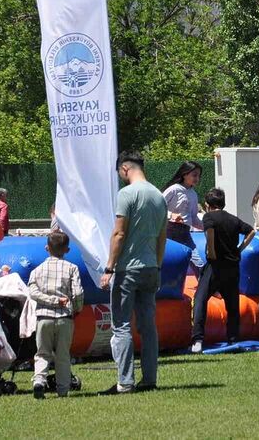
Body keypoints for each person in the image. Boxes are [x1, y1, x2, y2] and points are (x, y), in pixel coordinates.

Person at [99, 151, 167, 395]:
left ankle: (125, 382)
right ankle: (149, 379)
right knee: (148, 326)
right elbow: (162, 236)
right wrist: (158, 266)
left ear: (125, 169)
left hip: (128, 269)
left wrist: (109, 267)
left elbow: (119, 234)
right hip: (151, 267)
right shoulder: (159, 196)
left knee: (122, 326)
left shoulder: (126, 194)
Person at [192, 188, 256, 353]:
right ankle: (233, 337)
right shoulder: (233, 219)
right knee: (232, 303)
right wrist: (240, 248)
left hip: (215, 265)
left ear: (207, 205)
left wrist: (211, 251)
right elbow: (252, 231)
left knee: (200, 299)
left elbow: (210, 232)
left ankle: (198, 339)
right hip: (232, 266)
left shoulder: (209, 217)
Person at [29, 231, 84, 399]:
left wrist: (50, 300)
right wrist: (76, 308)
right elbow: (78, 292)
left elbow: (32, 292)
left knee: (42, 353)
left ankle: (39, 381)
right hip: (64, 318)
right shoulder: (72, 268)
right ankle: (62, 389)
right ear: (67, 250)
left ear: (47, 248)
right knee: (63, 354)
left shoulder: (37, 270)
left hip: (43, 317)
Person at [162, 161, 205, 273]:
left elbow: (193, 218)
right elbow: (158, 207)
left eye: (199, 176)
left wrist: (206, 227)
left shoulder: (193, 194)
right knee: (167, 260)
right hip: (169, 230)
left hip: (185, 232)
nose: (197, 178)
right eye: (194, 175)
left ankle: (205, 288)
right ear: (185, 174)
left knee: (198, 263)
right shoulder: (174, 189)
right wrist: (171, 215)